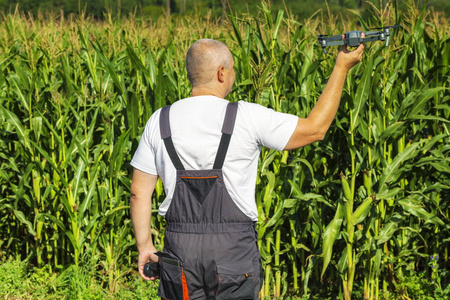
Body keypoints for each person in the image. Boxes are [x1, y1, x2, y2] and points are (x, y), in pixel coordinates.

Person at [130, 38, 364, 300]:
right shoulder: (245, 117)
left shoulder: (159, 121)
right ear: (221, 73)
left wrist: (144, 247)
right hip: (233, 253)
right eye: (231, 69)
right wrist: (341, 67)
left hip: (180, 251)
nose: (232, 74)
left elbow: (139, 192)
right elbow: (315, 129)